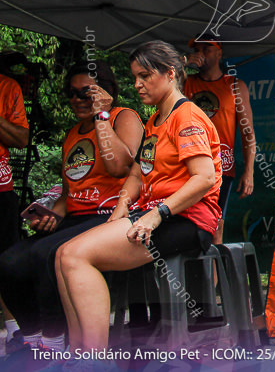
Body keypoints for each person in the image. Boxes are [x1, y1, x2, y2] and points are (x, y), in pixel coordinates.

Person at [54, 41, 222, 352]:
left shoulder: (187, 117)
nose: (137, 85)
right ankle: (77, 354)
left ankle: (93, 357)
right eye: (135, 77)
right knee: (63, 254)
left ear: (170, 74)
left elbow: (204, 178)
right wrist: (120, 207)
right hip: (150, 213)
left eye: (144, 76)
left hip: (185, 219)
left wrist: (155, 215)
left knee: (78, 258)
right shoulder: (155, 119)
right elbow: (135, 173)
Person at [0, 61, 143, 353]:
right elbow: (68, 194)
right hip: (74, 218)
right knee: (9, 260)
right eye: (72, 93)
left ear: (105, 92)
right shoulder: (74, 133)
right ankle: (31, 336)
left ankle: (53, 342)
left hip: (109, 216)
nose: (76, 99)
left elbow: (121, 168)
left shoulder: (122, 117)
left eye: (85, 93)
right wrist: (51, 217)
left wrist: (102, 114)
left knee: (45, 254)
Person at [184, 37, 257, 244]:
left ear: (219, 53)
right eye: (197, 49)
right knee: (186, 221)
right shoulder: (185, 82)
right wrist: (184, 62)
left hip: (220, 166)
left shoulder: (234, 85)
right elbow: (163, 81)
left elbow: (247, 132)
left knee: (215, 224)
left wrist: (249, 171)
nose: (201, 53)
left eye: (206, 49)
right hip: (187, 164)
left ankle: (215, 275)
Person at [0, 70, 29, 346]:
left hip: (0, 187)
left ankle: (14, 329)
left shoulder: (7, 87)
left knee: (5, 257)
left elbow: (21, 139)